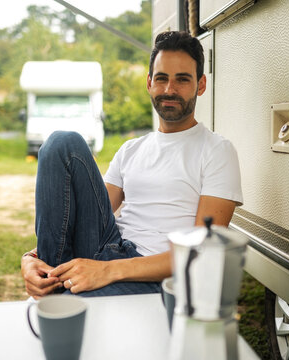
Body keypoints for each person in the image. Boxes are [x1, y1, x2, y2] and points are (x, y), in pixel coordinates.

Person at [21, 31, 243, 298]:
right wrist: (30, 258)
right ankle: (49, 276)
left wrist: (110, 270)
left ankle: (58, 294)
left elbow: (201, 251)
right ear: (149, 83)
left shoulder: (218, 151)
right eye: (161, 79)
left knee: (69, 306)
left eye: (182, 80)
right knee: (61, 142)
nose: (169, 90)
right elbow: (78, 214)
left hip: (157, 276)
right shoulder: (131, 149)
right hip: (108, 248)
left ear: (201, 84)